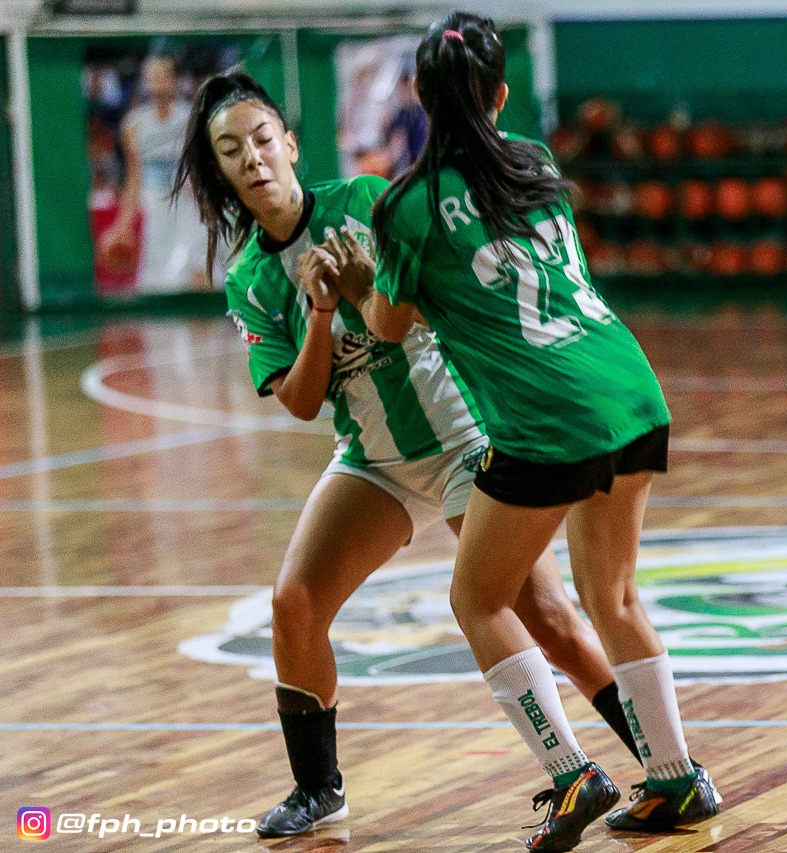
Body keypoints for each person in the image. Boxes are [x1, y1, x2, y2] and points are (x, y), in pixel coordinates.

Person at [173, 71, 652, 840]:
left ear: (290, 143)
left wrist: (362, 290)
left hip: (466, 436)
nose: (253, 158)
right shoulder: (252, 277)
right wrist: (322, 310)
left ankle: (661, 765)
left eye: (263, 139)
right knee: (294, 602)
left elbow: (435, 302)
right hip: (376, 458)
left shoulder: (365, 203)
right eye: (231, 151)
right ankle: (318, 790)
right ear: (220, 171)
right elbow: (300, 399)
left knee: (552, 617)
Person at [326, 13, 719, 852]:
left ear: (419, 100)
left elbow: (391, 326)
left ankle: (572, 770)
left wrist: (359, 282)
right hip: (629, 385)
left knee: (478, 597)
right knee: (613, 596)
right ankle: (677, 779)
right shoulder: (535, 161)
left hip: (547, 416)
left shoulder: (405, 205)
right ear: (501, 94)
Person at [102, 54, 210, 293]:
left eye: (162, 76)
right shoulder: (134, 124)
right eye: (152, 77)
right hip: (152, 210)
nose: (157, 82)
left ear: (174, 80)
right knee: (157, 283)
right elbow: (134, 177)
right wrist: (122, 225)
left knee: (198, 276)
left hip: (187, 206)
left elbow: (201, 171)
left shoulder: (192, 118)